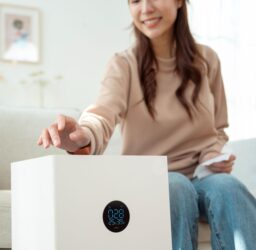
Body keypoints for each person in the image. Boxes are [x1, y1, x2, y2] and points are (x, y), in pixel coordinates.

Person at [37, 0, 256, 249]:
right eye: (135, 1)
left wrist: (214, 153)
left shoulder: (208, 60)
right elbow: (103, 113)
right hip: (153, 179)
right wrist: (84, 134)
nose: (146, 8)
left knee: (230, 188)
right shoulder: (124, 64)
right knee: (176, 188)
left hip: (203, 176)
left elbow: (218, 128)